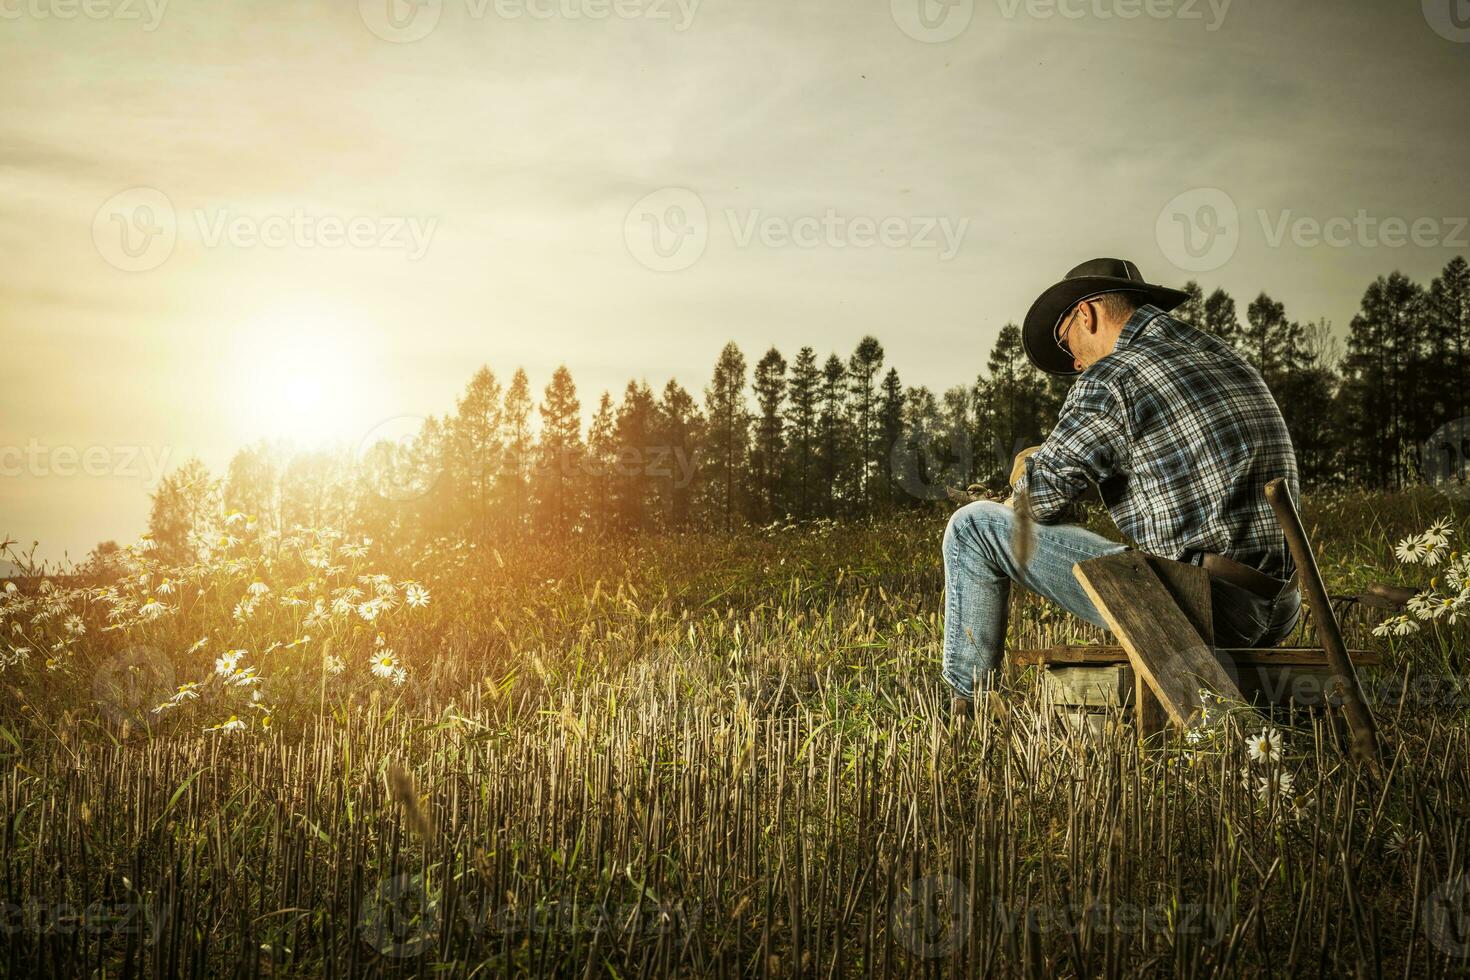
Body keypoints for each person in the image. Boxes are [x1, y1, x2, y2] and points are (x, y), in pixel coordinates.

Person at [944, 257, 1301, 717]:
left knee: (973, 527)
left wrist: (1020, 481)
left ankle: (965, 710)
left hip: (1205, 608)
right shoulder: (1225, 358)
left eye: (1065, 339)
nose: (1073, 361)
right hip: (1279, 608)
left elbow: (1041, 501)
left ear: (1086, 315)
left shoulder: (1114, 375)